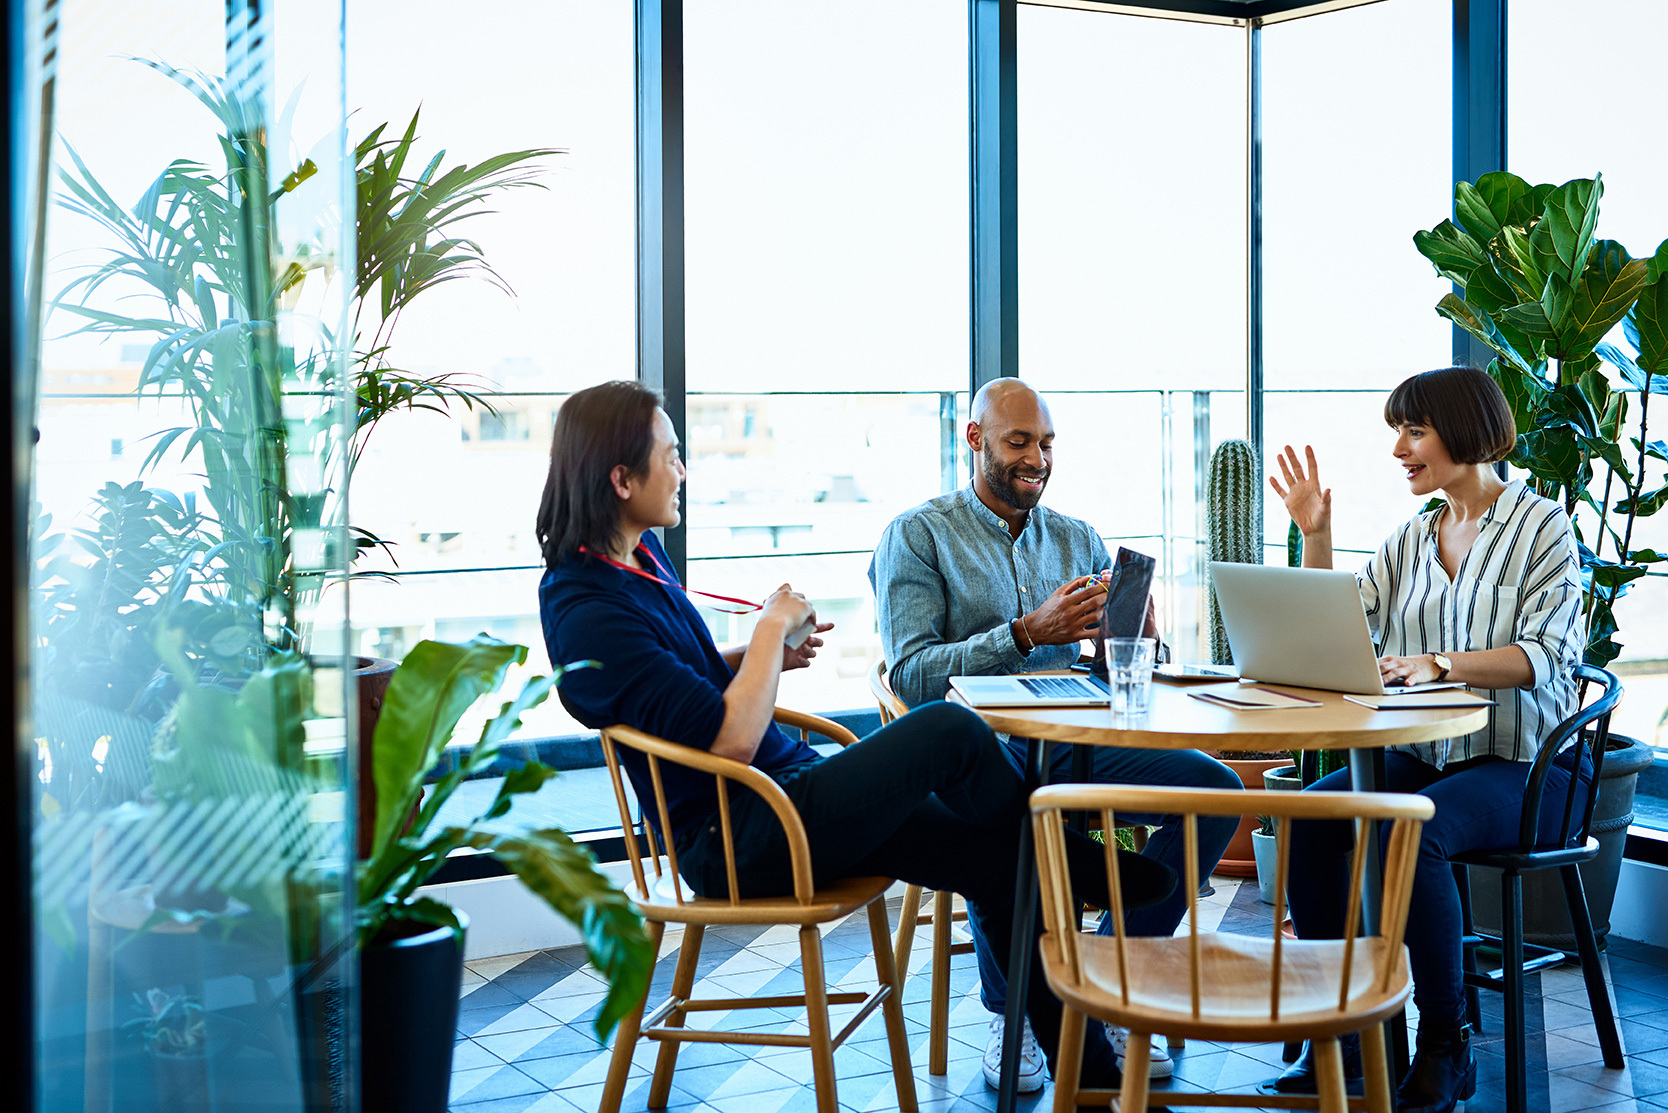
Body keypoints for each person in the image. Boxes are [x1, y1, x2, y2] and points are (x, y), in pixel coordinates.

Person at [535, 380, 1176, 1096]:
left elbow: (673, 687)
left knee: (1001, 864)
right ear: (622, 478)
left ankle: (1090, 1084)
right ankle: (1070, 859)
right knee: (945, 728)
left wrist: (755, 659)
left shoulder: (639, 564)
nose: (683, 471)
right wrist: (770, 628)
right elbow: (727, 742)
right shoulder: (585, 605)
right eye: (671, 457)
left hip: (787, 795)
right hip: (741, 833)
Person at [868, 377, 1241, 1089]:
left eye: (1045, 443)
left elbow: (1116, 671)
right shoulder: (917, 536)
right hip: (979, 751)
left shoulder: (1077, 538)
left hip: (1080, 740)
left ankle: (1106, 982)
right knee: (1000, 810)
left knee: (1215, 791)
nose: (1036, 458)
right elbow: (913, 674)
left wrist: (1138, 644)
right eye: (1018, 442)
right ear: (974, 439)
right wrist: (1023, 633)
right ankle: (1019, 1013)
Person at [1264, 366, 1584, 1113]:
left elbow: (1546, 654)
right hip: (1432, 756)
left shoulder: (1543, 527)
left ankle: (1447, 1041)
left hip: (1527, 767)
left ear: (1465, 431)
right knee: (1312, 818)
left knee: (1414, 833)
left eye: (1414, 431)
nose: (1400, 449)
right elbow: (1336, 628)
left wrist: (1441, 661)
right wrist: (1317, 536)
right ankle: (1342, 1036)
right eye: (1397, 433)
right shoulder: (1411, 538)